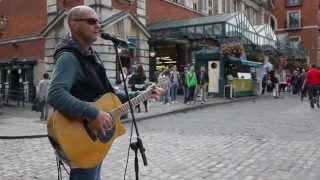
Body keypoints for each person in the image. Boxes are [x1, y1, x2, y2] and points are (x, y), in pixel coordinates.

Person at [47, 6, 161, 180]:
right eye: (91, 21)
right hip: (79, 136)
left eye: (99, 21)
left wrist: (145, 93)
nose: (98, 25)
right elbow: (55, 94)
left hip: (94, 136)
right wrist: (94, 113)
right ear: (74, 25)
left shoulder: (91, 56)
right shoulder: (69, 57)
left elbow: (110, 94)